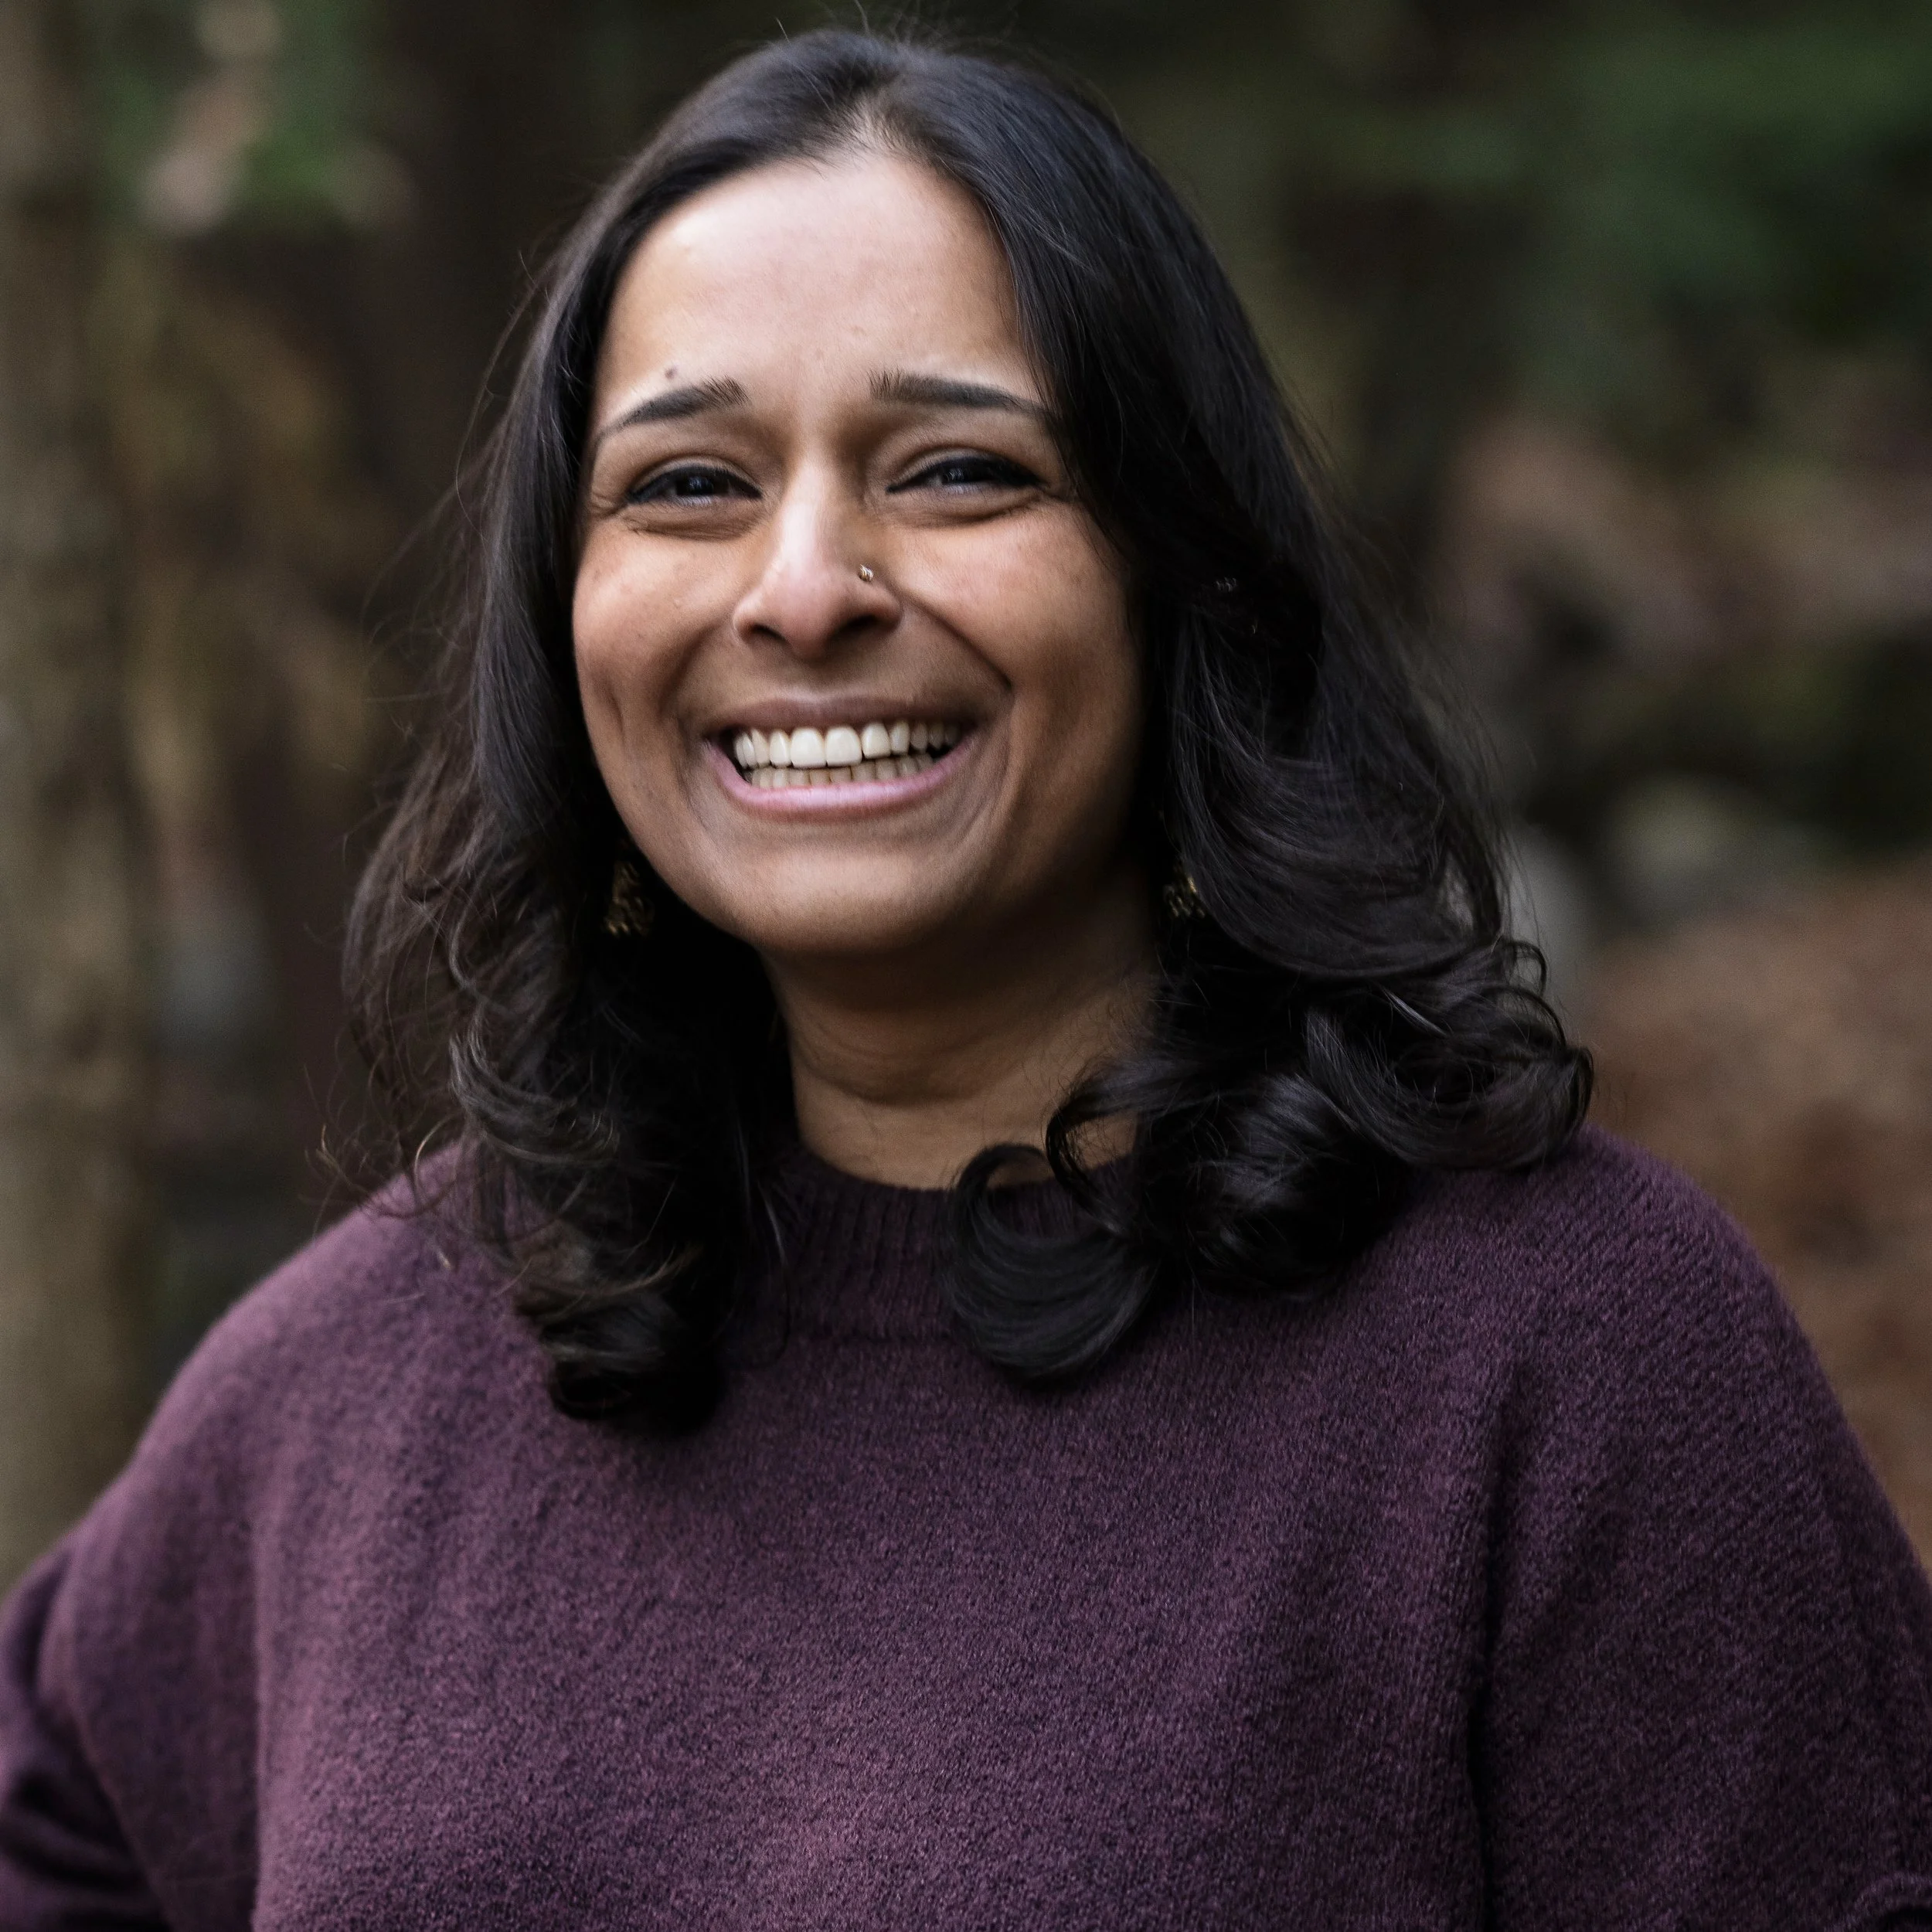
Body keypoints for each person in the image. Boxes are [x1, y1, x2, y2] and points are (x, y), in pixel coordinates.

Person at [4, 28, 1930, 1930]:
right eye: (687, 483)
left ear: (1187, 574)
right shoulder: (373, 1372)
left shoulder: (1561, 1366)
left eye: (953, 469)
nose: (806, 585)